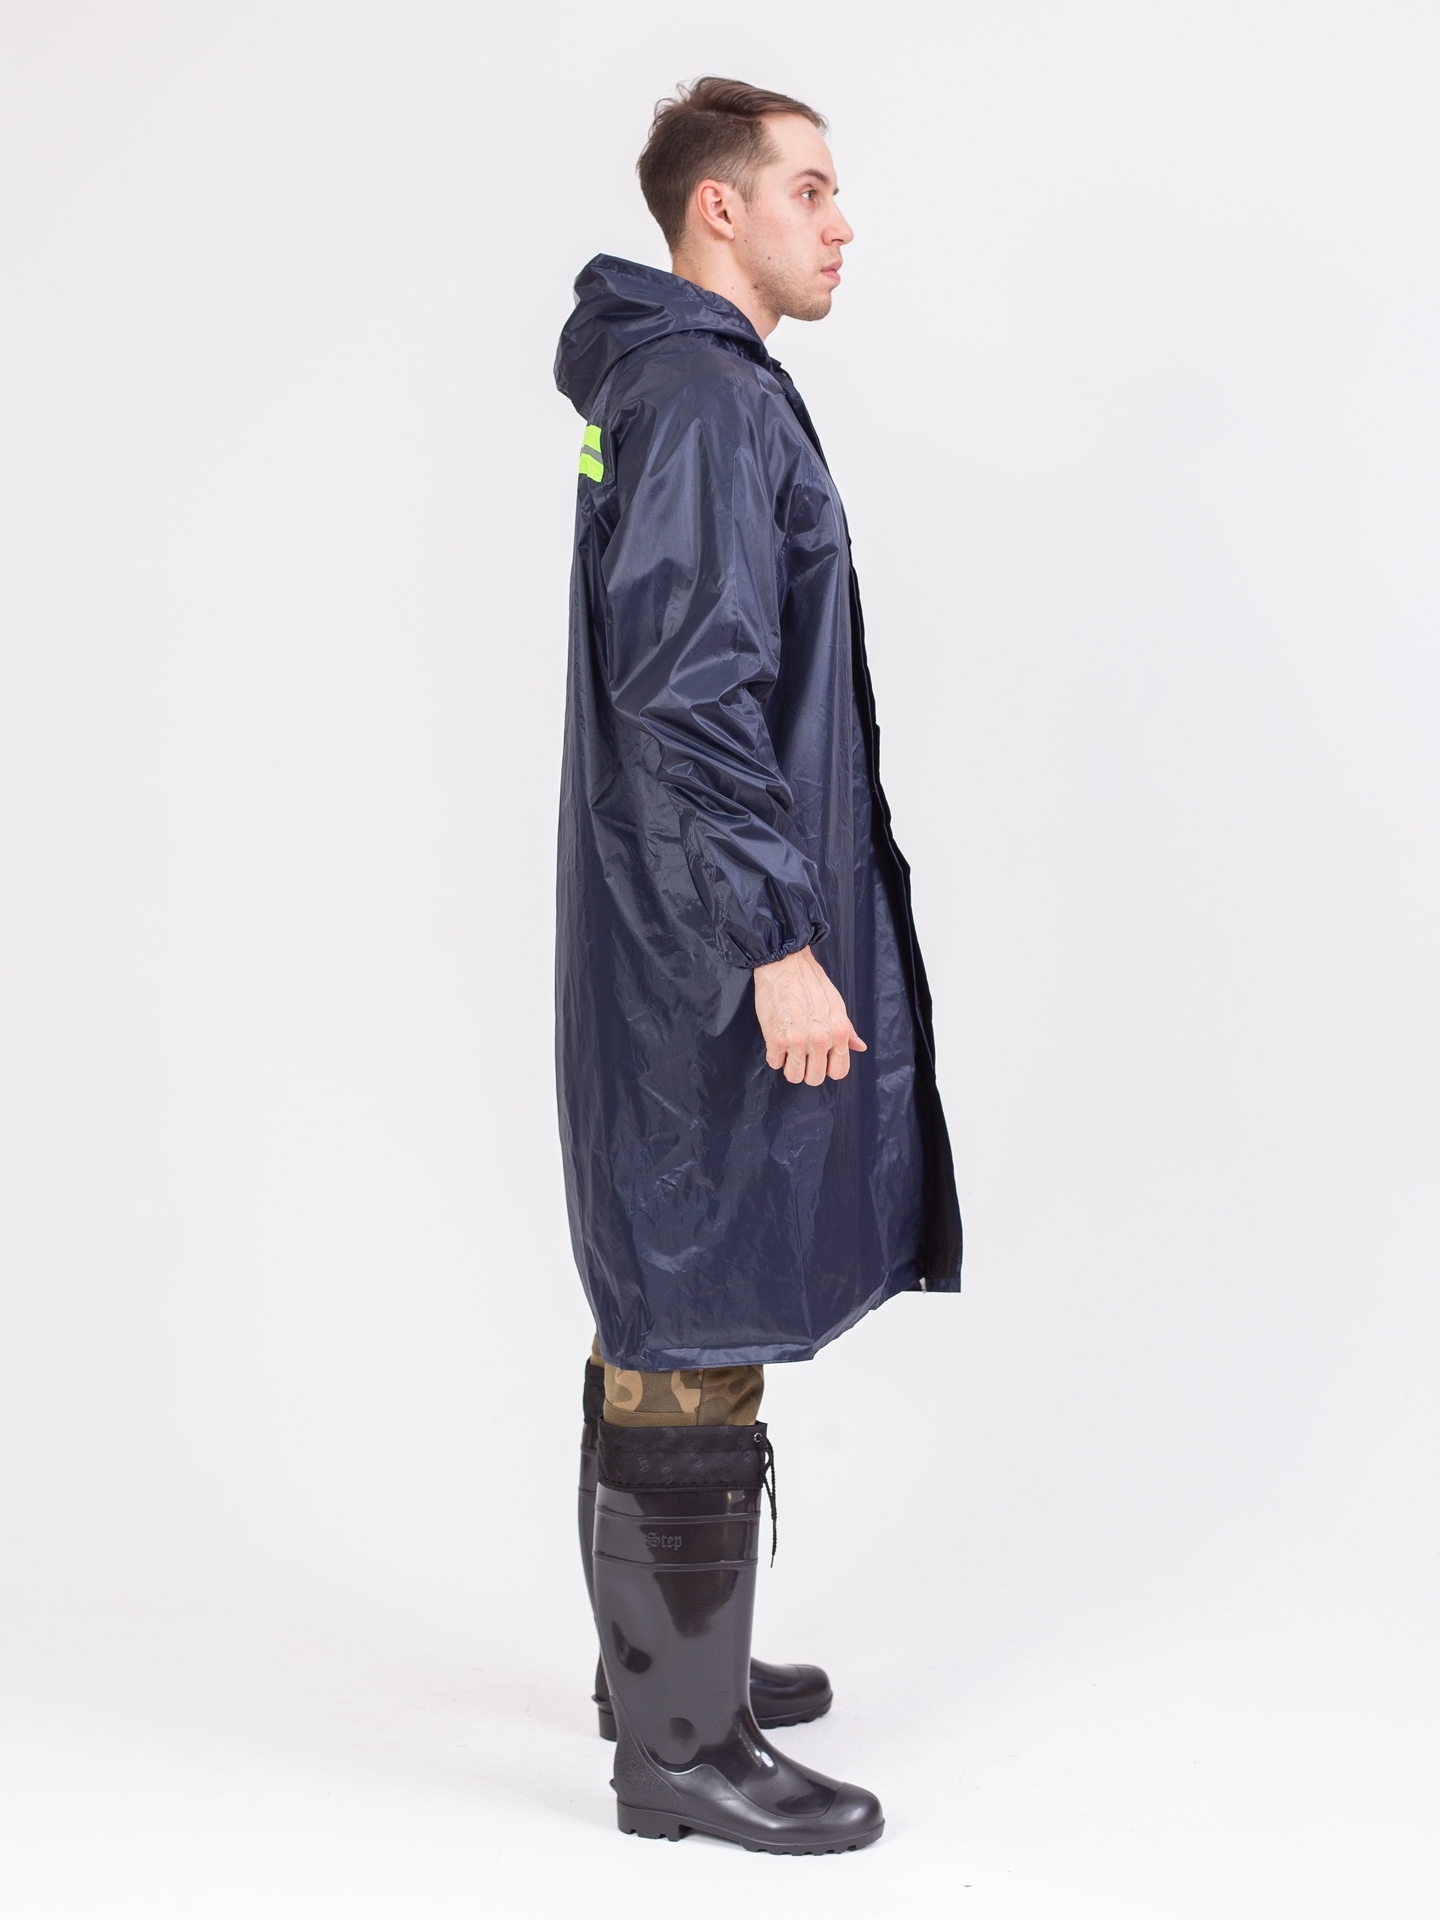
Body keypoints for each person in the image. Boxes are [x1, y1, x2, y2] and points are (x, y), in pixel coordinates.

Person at [554, 77, 962, 1854]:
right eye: (809, 188)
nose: (840, 222)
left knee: (669, 1279)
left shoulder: (677, 390)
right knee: (693, 1291)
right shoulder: (706, 401)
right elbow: (693, 690)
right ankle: (680, 1751)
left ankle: (664, 1668)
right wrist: (777, 942)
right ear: (716, 210)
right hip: (702, 944)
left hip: (667, 924)